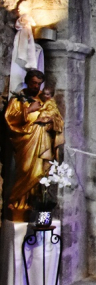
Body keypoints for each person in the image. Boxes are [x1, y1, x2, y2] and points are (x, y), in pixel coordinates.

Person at [4, 69, 63, 218]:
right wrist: (29, 110)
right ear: (27, 82)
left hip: (42, 144)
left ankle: (33, 205)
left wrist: (51, 122)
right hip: (25, 143)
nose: (36, 86)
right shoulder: (17, 100)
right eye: (33, 83)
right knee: (24, 170)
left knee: (39, 174)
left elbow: (58, 121)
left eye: (38, 84)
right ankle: (16, 202)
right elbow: (9, 119)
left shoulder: (45, 100)